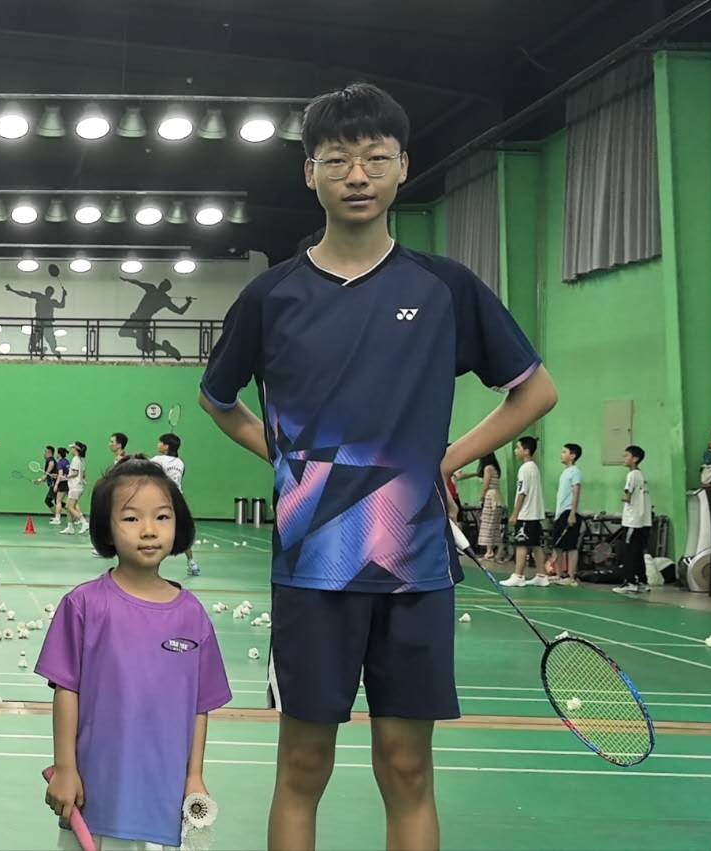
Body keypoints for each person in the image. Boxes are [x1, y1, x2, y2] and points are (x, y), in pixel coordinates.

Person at [198, 83, 556, 851]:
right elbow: (217, 398)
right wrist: (289, 461)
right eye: (337, 160)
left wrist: (444, 460)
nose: (357, 175)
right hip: (312, 569)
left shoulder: (445, 288)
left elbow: (535, 391)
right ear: (310, 173)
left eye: (374, 158)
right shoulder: (272, 295)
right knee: (302, 764)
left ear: (403, 167)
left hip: (413, 568)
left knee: (407, 766)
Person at [40, 459, 230, 849]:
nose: (148, 530)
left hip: (164, 804)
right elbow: (66, 691)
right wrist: (65, 768)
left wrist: (194, 776)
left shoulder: (192, 615)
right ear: (106, 529)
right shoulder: (84, 605)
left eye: (162, 517)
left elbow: (199, 707)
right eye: (130, 518)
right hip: (96, 800)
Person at [149, 433, 200, 576]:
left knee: (154, 531)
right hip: (178, 500)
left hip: (162, 500)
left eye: (160, 442)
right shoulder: (180, 463)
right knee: (182, 531)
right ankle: (192, 563)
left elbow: (143, 468)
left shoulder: (158, 460)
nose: (158, 444)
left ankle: (150, 564)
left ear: (166, 446)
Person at [505, 436, 549, 587]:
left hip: (526, 514)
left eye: (518, 448)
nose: (515, 451)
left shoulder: (524, 469)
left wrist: (515, 513)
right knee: (535, 545)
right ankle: (542, 575)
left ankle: (518, 575)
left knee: (521, 544)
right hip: (535, 514)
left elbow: (522, 492)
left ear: (526, 451)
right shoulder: (534, 467)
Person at [615, 445, 655, 594]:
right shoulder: (641, 475)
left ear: (635, 459)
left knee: (629, 552)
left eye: (627, 456)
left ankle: (630, 582)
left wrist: (623, 498)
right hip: (644, 521)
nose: (624, 458)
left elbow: (627, 495)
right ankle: (642, 582)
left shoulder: (632, 475)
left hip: (633, 521)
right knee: (638, 552)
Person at [546, 443, 585, 585]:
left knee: (571, 546)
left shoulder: (575, 472)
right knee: (558, 545)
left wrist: (572, 513)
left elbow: (576, 492)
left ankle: (570, 576)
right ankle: (559, 575)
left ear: (572, 456)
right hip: (560, 513)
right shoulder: (565, 472)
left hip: (569, 512)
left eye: (564, 452)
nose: (561, 454)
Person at [453, 453, 503, 562]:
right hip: (497, 499)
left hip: (490, 499)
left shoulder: (488, 468)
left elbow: (485, 486)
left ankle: (489, 552)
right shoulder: (495, 468)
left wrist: (480, 498)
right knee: (494, 526)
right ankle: (496, 550)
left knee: (487, 525)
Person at [58, 442, 89, 535]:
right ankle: (70, 527)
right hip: (77, 487)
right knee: (69, 507)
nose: (71, 450)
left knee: (70, 507)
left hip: (75, 487)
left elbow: (75, 473)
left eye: (72, 448)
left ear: (76, 449)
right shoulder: (81, 460)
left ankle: (84, 523)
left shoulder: (75, 459)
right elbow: (83, 474)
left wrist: (65, 477)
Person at [39, 445, 60, 513]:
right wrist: (40, 480)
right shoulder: (50, 459)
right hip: (53, 485)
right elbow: (48, 476)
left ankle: (72, 511)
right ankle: (57, 515)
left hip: (55, 485)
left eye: (45, 452)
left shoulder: (50, 459)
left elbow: (51, 464)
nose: (44, 454)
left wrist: (46, 474)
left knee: (57, 501)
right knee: (49, 501)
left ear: (49, 452)